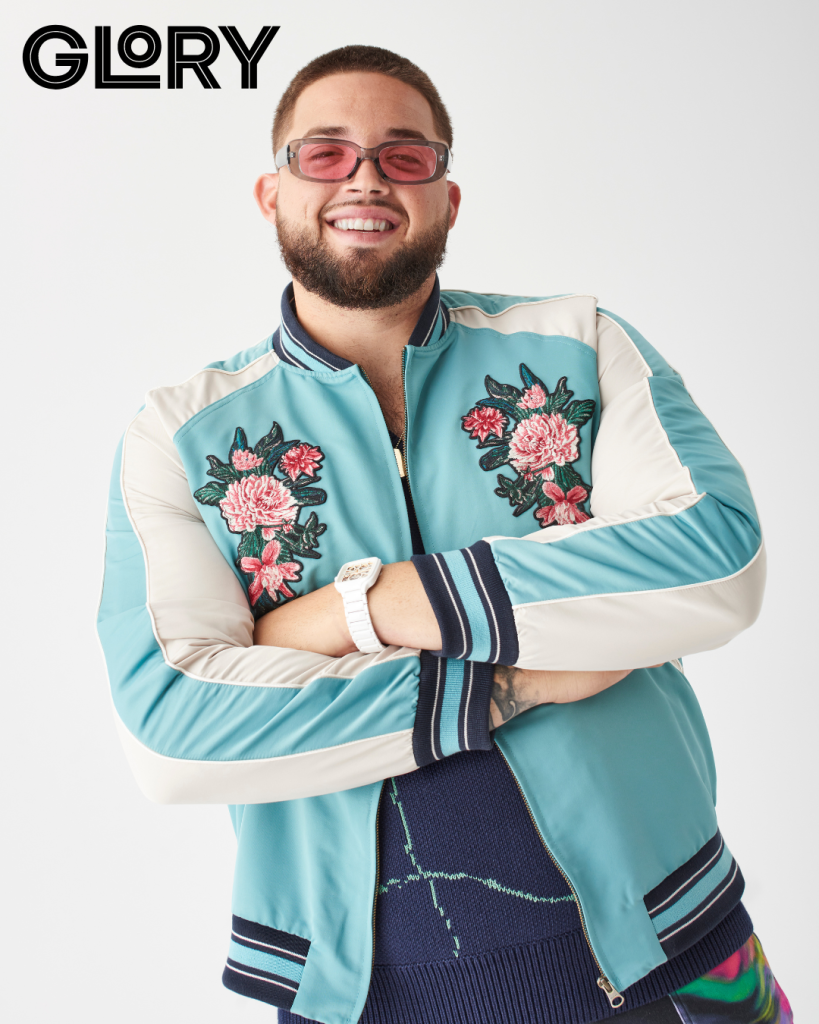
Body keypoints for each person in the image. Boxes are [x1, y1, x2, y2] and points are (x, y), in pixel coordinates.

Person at [96, 45, 792, 1024]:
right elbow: (173, 730)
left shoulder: (578, 346)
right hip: (357, 991)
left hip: (673, 945)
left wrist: (358, 610)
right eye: (325, 153)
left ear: (448, 198)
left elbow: (715, 558)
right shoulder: (181, 434)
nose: (366, 177)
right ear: (271, 193)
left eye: (404, 155)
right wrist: (512, 681)